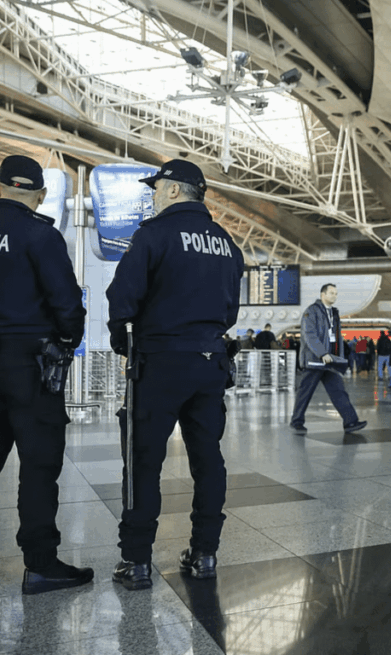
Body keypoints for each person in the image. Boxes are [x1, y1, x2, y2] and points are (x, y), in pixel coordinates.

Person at [0, 155, 94, 594]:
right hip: (33, 364)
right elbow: (67, 303)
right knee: (38, 464)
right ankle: (41, 563)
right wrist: (65, 342)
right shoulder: (40, 236)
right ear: (41, 195)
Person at [107, 159, 244, 590]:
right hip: (210, 362)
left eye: (156, 188)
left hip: (160, 363)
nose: (152, 196)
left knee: (143, 462)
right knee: (208, 460)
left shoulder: (154, 234)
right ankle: (204, 554)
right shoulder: (226, 243)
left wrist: (123, 344)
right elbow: (230, 309)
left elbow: (122, 297)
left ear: (172, 190)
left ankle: (136, 561)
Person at [289, 284, 367, 433]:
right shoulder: (312, 311)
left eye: (336, 293)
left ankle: (350, 422)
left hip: (330, 361)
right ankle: (296, 421)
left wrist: (338, 358)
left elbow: (336, 338)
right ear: (322, 295)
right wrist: (322, 353)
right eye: (331, 293)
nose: (334, 296)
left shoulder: (334, 313)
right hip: (315, 360)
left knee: (339, 391)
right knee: (305, 393)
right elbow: (309, 334)